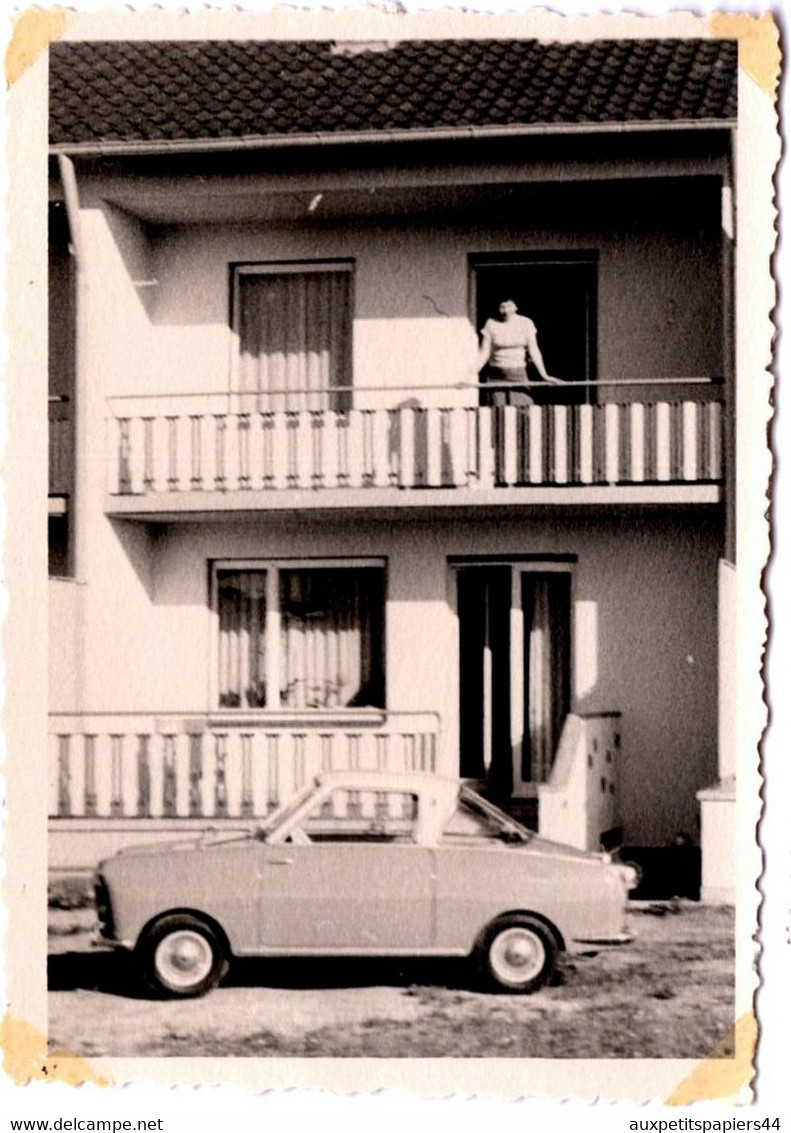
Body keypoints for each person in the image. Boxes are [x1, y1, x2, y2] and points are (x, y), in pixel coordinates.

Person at [477, 298, 562, 405]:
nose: (505, 311)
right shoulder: (491, 323)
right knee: (498, 412)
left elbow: (534, 350)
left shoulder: (526, 323)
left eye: (509, 306)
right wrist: (471, 375)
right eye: (502, 307)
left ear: (516, 307)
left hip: (518, 374)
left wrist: (544, 375)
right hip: (496, 375)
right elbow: (484, 353)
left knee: (523, 409)